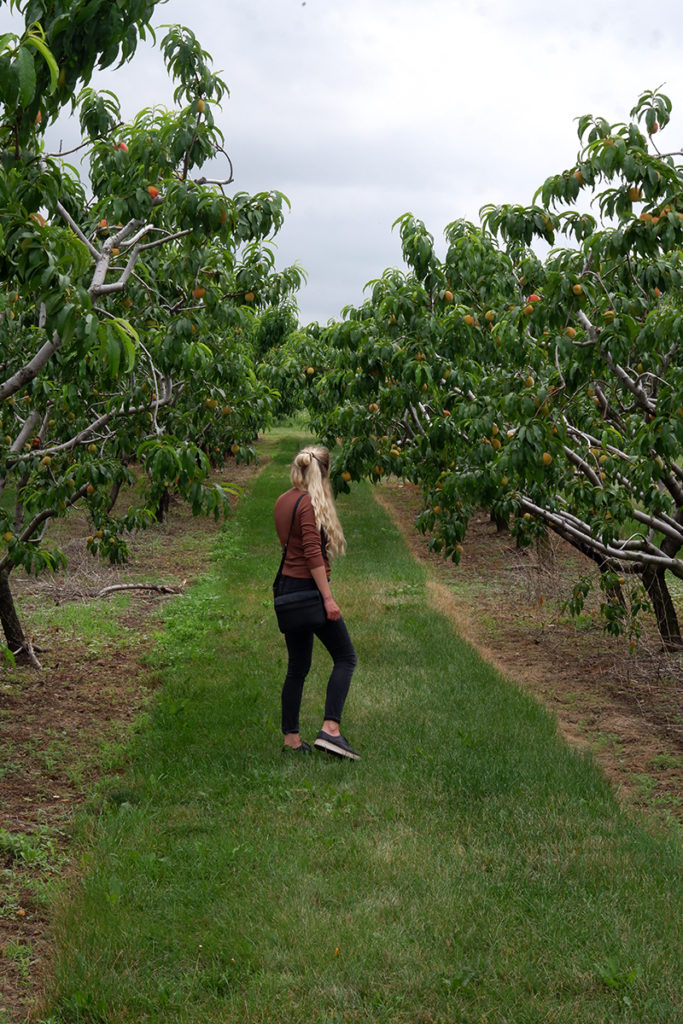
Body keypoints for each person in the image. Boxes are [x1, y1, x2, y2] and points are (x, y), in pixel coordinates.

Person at [273, 445, 359, 760]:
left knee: (297, 667)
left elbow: (290, 547)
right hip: (309, 593)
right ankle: (331, 730)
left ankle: (292, 740)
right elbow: (312, 553)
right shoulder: (309, 504)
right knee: (345, 656)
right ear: (323, 474)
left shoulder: (283, 500)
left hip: (287, 592)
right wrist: (328, 599)